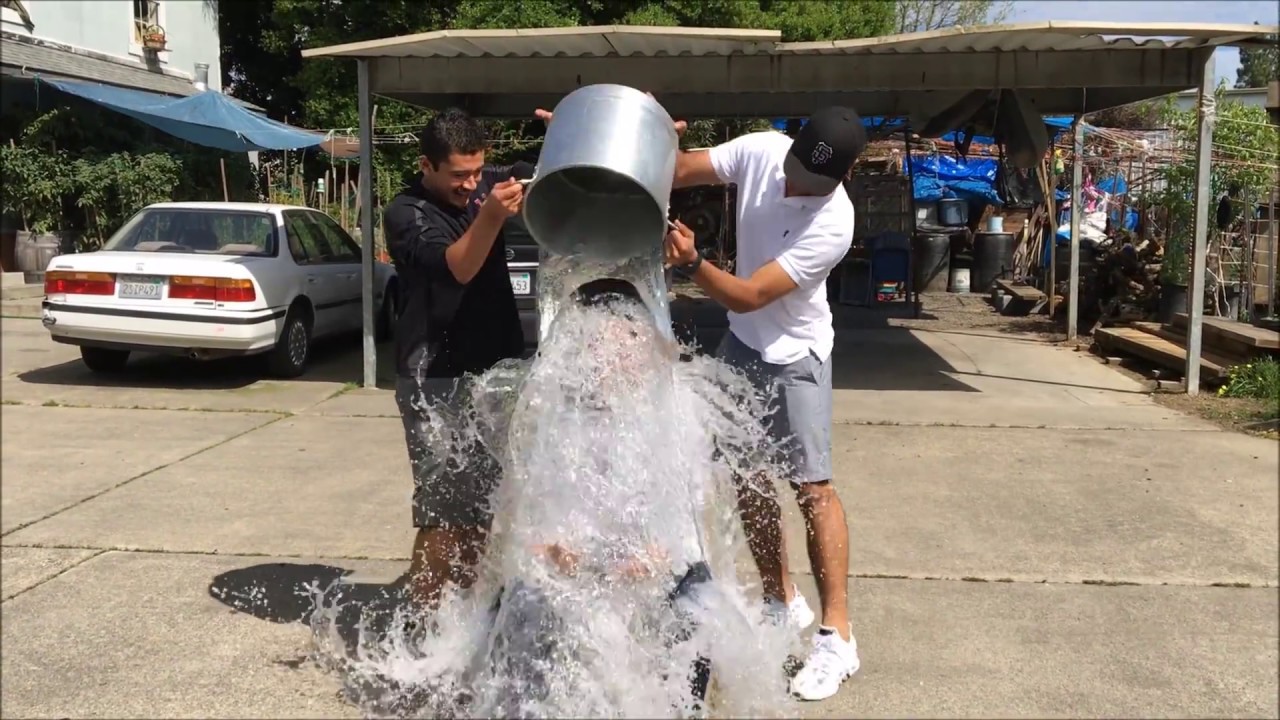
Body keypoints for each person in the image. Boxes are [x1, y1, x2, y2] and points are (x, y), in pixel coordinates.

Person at [661, 108, 866, 702]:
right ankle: (782, 602)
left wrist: (694, 263)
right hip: (742, 347)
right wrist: (651, 131)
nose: (798, 188)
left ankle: (837, 638)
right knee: (745, 479)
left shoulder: (835, 222)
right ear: (791, 149)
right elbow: (675, 171)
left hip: (797, 354)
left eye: (816, 184)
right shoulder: (760, 150)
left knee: (813, 489)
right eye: (797, 172)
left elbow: (750, 295)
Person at [382, 107, 532, 614]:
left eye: (477, 171)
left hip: (495, 374)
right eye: (458, 175)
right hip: (435, 379)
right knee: (444, 514)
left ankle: (465, 616)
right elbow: (459, 268)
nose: (470, 184)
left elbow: (557, 172)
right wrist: (491, 213)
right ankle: (423, 627)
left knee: (484, 510)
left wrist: (573, 134)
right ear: (427, 165)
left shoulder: (485, 181)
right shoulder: (407, 214)